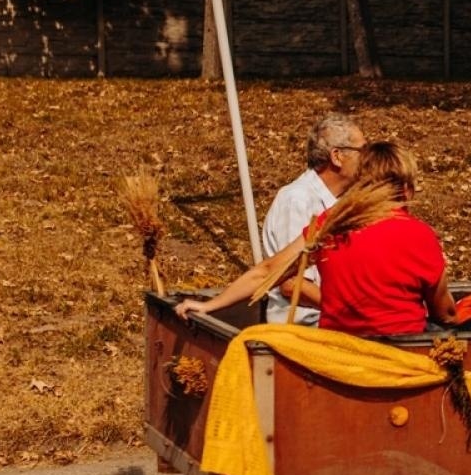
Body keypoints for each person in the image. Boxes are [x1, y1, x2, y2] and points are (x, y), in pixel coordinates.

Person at [176, 141, 455, 336]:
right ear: (406, 191)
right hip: (401, 355)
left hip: (337, 347)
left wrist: (210, 305)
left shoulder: (331, 224)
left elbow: (268, 271)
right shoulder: (421, 235)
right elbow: (444, 312)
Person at [260, 112, 365, 325]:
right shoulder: (298, 200)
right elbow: (292, 283)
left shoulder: (344, 201)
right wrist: (350, 314)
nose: (368, 158)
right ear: (337, 156)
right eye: (362, 150)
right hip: (306, 326)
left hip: (333, 320)